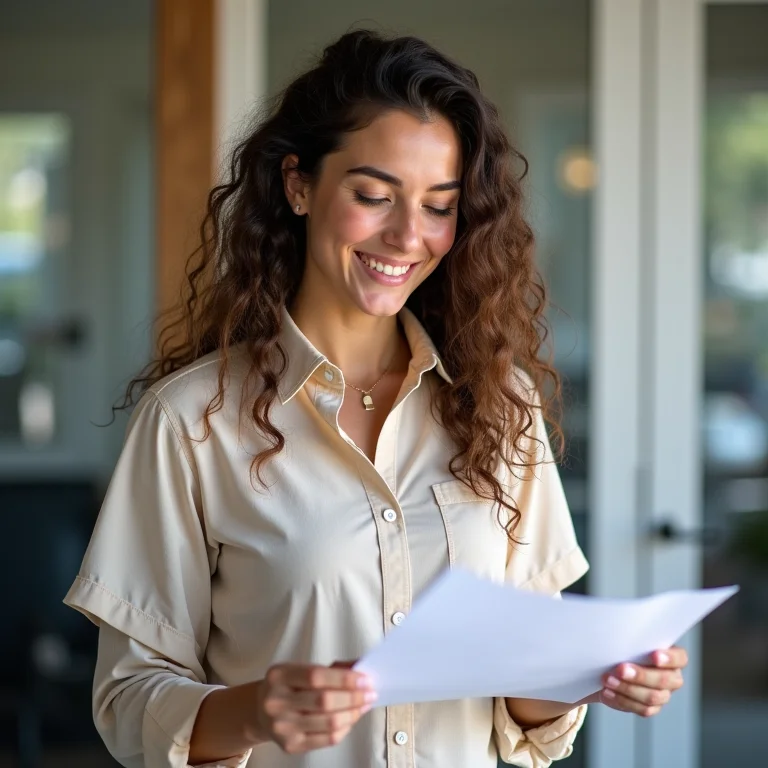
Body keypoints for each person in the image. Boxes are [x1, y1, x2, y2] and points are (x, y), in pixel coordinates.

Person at [65, 29, 688, 768]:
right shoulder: (191, 423)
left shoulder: (500, 405)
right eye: (373, 195)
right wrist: (258, 709)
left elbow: (524, 696)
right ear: (298, 185)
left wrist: (594, 677)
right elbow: (129, 700)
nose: (406, 236)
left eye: (438, 206)